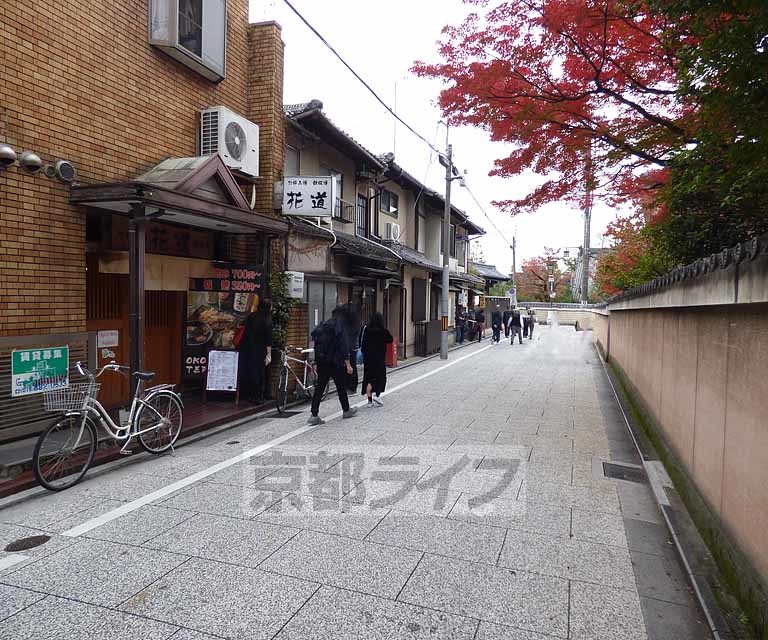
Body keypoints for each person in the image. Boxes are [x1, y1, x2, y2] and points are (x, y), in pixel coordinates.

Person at [308, 305, 358, 425]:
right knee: (341, 387)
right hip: (335, 362)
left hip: (322, 361)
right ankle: (346, 410)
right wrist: (348, 364)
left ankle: (313, 415)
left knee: (319, 388)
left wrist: (316, 360)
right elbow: (343, 346)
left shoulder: (325, 325)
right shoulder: (340, 327)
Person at [238, 302, 272, 403]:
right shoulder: (267, 320)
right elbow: (268, 339)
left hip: (247, 348)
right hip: (260, 349)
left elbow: (243, 328)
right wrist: (269, 354)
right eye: (271, 306)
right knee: (259, 372)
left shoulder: (251, 316)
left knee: (248, 370)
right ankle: (258, 396)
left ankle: (248, 394)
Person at [360, 311, 393, 407]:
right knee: (379, 378)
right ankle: (377, 396)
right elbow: (390, 339)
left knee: (368, 377)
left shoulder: (366, 329)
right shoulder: (383, 331)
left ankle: (369, 401)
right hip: (379, 359)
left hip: (368, 358)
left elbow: (363, 343)